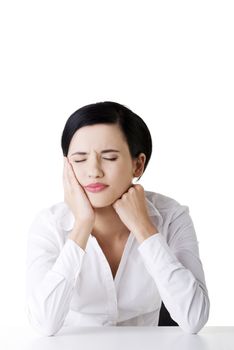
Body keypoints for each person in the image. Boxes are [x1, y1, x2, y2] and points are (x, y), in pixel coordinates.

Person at [25, 101, 210, 336]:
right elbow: (43, 324)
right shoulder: (49, 225)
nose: (93, 171)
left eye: (110, 158)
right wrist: (82, 226)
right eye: (80, 160)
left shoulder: (171, 217)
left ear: (138, 164)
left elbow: (194, 319)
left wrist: (144, 229)